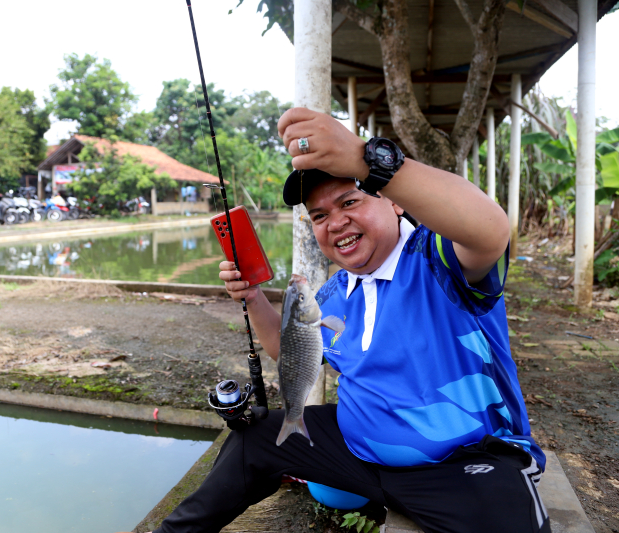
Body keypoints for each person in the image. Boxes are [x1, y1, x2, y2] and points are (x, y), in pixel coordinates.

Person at [133, 108, 548, 533]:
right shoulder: (333, 292)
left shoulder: (440, 258)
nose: (336, 223)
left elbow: (491, 230)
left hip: (461, 463)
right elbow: (290, 349)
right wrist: (253, 297)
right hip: (356, 455)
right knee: (252, 438)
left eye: (350, 201)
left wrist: (364, 158)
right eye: (319, 215)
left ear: (394, 200)